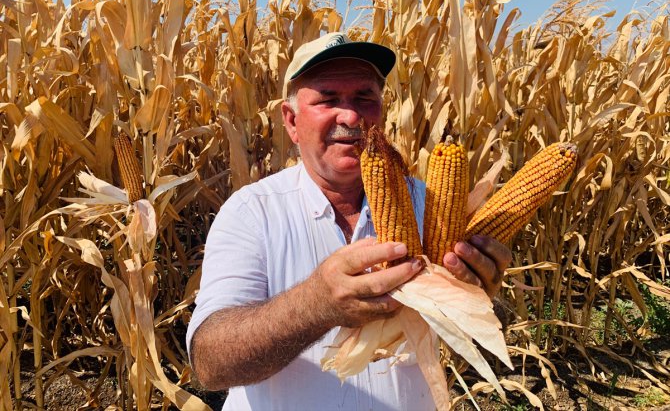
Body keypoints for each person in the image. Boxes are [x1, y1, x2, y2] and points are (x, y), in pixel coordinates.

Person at [186, 32, 512, 410]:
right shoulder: (252, 212)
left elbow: (455, 319)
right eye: (328, 99)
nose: (352, 116)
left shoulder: (431, 203)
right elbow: (210, 363)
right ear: (291, 121)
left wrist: (473, 289)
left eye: (364, 98)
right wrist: (317, 305)